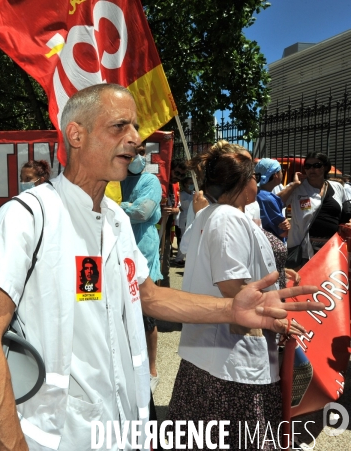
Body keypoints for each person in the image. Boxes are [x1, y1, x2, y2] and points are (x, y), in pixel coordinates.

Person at [0, 83, 320, 450]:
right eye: (120, 126)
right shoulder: (27, 216)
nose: (134, 138)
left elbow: (148, 296)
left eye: (135, 128)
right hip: (59, 437)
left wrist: (232, 308)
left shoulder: (114, 217)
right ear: (76, 135)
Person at [167, 142, 300, 448]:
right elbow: (232, 289)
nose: (259, 182)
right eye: (254, 176)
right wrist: (276, 320)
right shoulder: (227, 218)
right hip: (230, 362)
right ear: (243, 181)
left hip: (218, 357)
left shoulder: (217, 214)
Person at [119, 142, 163, 393]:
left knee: (147, 317)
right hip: (121, 254)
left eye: (142, 152)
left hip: (143, 255)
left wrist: (118, 207)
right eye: (134, 151)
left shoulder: (151, 182)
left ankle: (152, 369)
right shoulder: (119, 178)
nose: (138, 157)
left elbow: (142, 213)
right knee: (125, 316)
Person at [280, 151, 351, 268]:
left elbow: (346, 213)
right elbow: (275, 203)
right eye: (308, 166)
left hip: (331, 247)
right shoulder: (298, 187)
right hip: (304, 248)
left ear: (325, 167)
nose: (311, 169)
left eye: (316, 165)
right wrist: (294, 184)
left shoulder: (337, 187)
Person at [255, 158, 292, 289]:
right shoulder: (268, 198)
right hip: (272, 252)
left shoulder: (258, 194)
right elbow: (282, 230)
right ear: (276, 175)